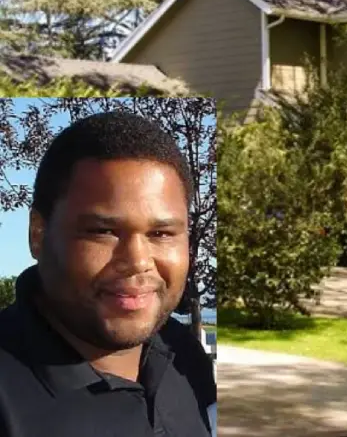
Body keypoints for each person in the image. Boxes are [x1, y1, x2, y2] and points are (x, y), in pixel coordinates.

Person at [0, 110, 217, 437]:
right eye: (103, 231)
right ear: (38, 234)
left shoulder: (184, 355)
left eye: (161, 234)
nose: (137, 260)